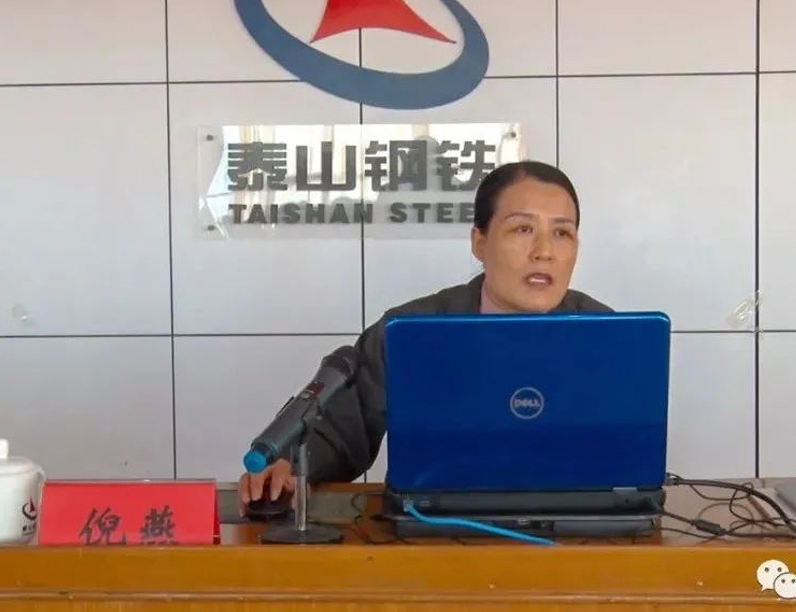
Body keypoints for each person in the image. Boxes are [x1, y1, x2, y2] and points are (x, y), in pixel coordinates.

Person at [239, 160, 611, 510]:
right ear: (479, 242)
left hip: (581, 531)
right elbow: (340, 428)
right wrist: (290, 466)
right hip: (436, 530)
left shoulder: (607, 335)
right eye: (523, 229)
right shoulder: (412, 330)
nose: (544, 252)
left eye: (562, 233)